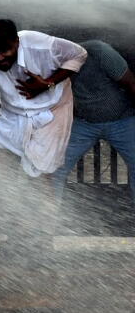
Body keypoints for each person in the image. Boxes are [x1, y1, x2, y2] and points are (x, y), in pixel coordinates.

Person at [0, 19, 87, 177]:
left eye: (5, 50)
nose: (0, 58)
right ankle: (3, 200)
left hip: (51, 111)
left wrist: (48, 83)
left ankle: (44, 201)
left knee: (41, 175)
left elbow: (79, 54)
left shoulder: (38, 43)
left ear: (17, 41)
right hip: (12, 114)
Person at [52, 39, 135, 205]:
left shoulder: (101, 52)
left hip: (123, 121)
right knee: (52, 166)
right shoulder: (52, 58)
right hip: (83, 123)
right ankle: (44, 222)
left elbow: (131, 83)